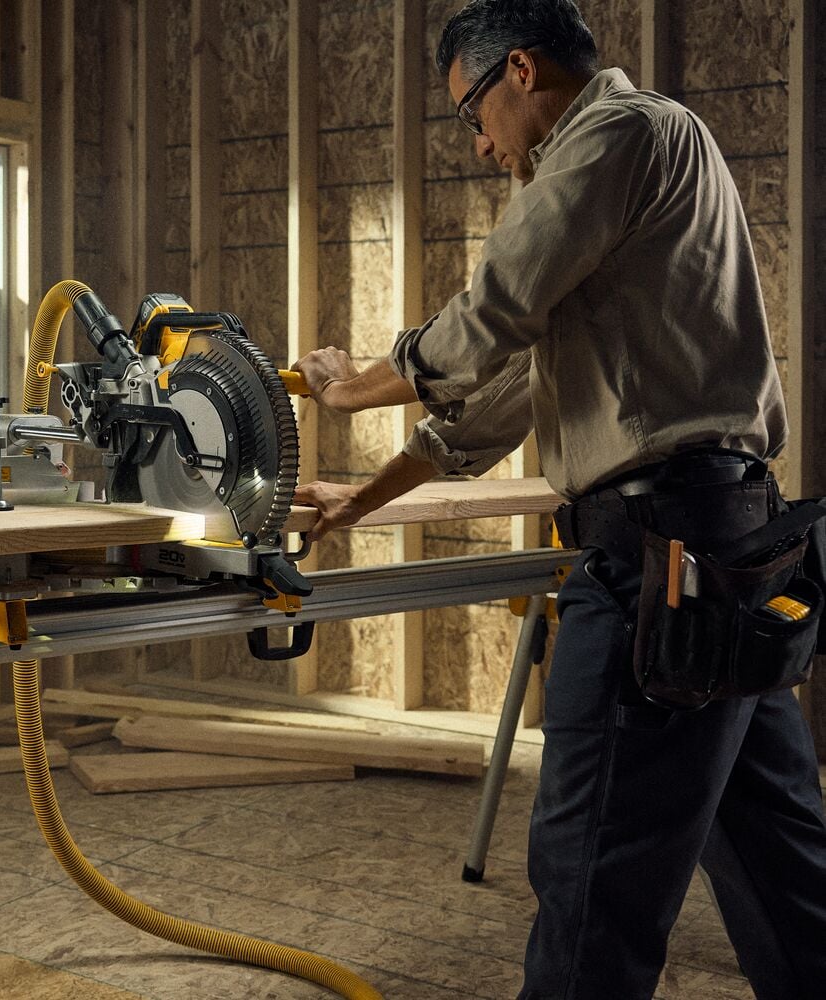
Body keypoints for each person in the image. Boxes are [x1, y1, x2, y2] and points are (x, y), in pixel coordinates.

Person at [289, 1, 826, 996]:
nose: (482, 144)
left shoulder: (617, 134)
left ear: (522, 71)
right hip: (726, 547)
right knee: (784, 870)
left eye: (472, 114)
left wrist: (354, 381)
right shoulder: (637, 184)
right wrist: (360, 498)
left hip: (657, 562)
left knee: (593, 886)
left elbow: (494, 306)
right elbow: (495, 403)